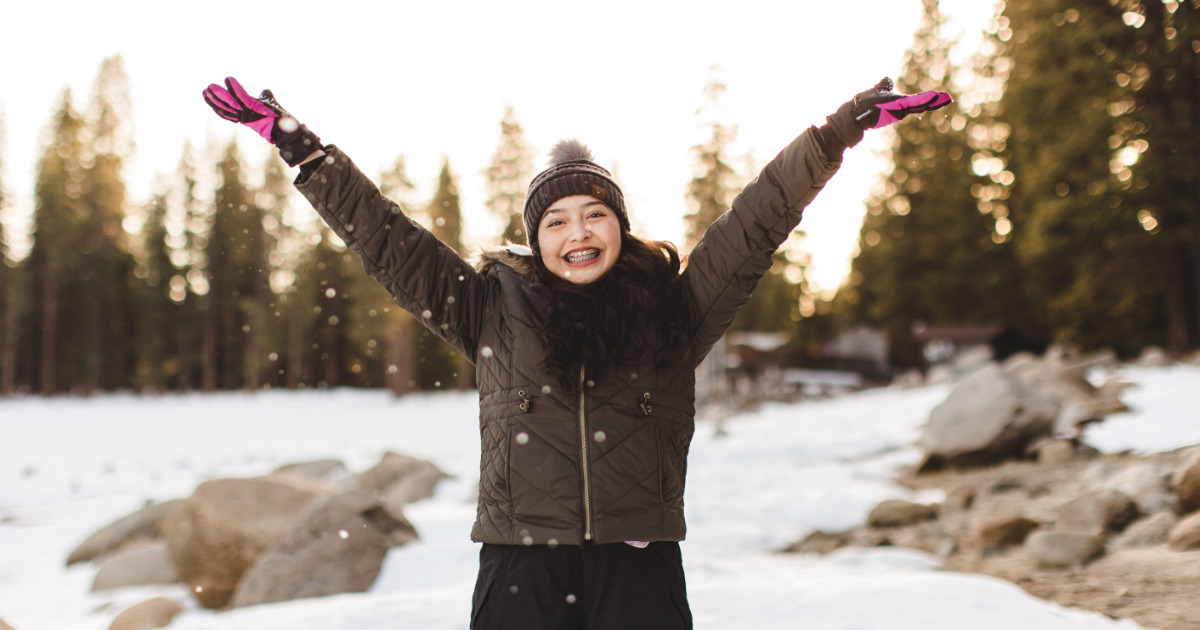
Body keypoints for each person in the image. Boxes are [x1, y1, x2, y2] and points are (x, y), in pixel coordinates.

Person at [203, 76, 950, 629]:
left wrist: (835, 134)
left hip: (638, 570)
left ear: (619, 227)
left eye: (596, 214)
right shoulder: (488, 310)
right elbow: (386, 240)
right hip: (521, 566)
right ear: (536, 239)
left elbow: (757, 221)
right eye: (556, 220)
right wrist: (304, 151)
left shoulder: (673, 311)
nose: (578, 232)